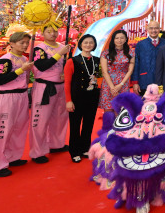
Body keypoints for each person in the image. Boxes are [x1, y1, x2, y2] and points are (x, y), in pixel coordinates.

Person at [0, 31, 33, 177]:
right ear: (11, 44)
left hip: (22, 96)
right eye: (21, 42)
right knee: (3, 131)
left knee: (19, 128)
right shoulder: (5, 60)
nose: (24, 45)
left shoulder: (23, 59)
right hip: (7, 98)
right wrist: (20, 70)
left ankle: (13, 157)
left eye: (26, 43)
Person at [29, 24, 71, 163]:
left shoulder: (61, 46)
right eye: (49, 31)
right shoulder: (39, 48)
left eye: (55, 31)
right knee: (40, 120)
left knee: (60, 118)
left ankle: (56, 144)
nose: (53, 34)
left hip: (61, 86)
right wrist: (60, 53)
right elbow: (42, 65)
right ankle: (37, 152)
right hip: (44, 87)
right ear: (43, 33)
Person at [64, 34, 101, 163]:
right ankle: (74, 151)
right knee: (75, 125)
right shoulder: (72, 61)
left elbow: (100, 78)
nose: (88, 45)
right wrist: (68, 101)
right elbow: (67, 82)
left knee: (88, 124)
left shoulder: (97, 60)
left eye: (91, 42)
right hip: (76, 98)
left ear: (94, 45)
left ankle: (85, 148)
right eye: (85, 42)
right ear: (80, 45)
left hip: (92, 97)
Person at [99, 29, 134, 119]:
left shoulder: (131, 52)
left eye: (122, 38)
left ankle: (119, 132)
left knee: (121, 111)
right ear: (113, 40)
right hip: (108, 84)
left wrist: (121, 84)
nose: (119, 40)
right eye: (117, 38)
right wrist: (112, 87)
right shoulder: (105, 53)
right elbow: (104, 71)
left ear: (126, 39)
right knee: (108, 111)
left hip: (123, 83)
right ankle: (108, 132)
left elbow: (130, 70)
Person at [132, 20, 165, 95]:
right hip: (144, 80)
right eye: (151, 28)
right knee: (145, 105)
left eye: (156, 28)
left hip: (162, 82)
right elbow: (136, 64)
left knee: (161, 105)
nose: (153, 30)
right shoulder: (140, 44)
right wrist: (135, 82)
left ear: (160, 29)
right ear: (147, 29)